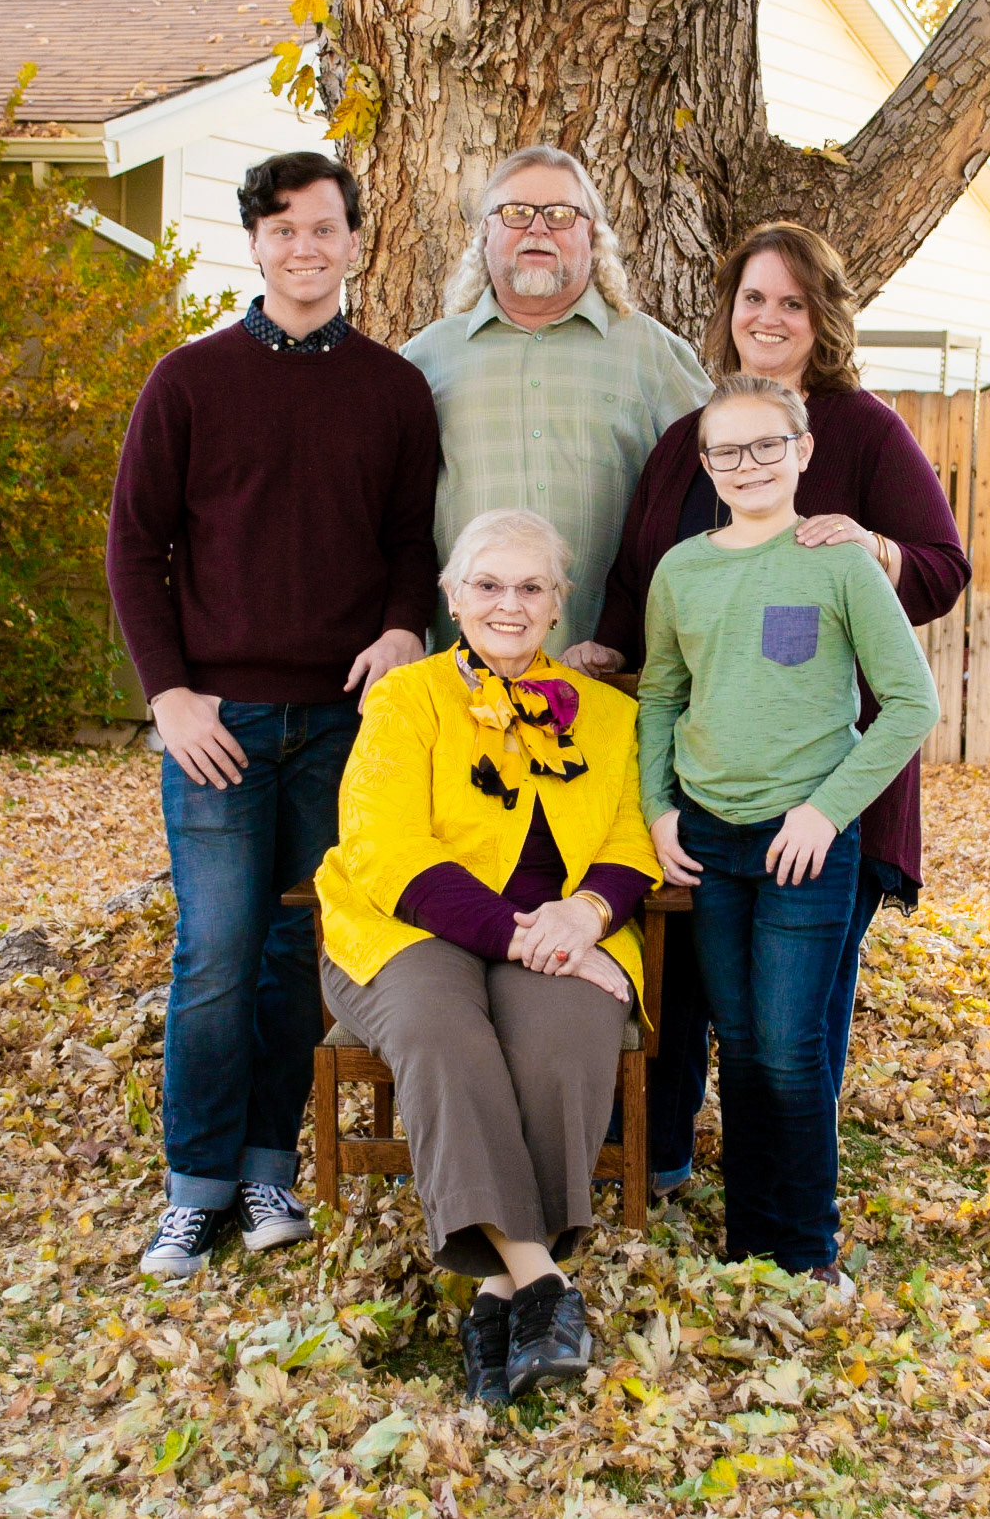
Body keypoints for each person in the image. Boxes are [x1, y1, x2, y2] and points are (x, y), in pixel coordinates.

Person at [566, 222, 971, 1195]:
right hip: (702, 778)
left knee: (797, 1014)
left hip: (826, 777)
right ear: (729, 312)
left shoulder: (863, 431)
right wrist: (610, 646)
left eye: (793, 301)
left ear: (822, 317)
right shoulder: (687, 440)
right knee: (687, 980)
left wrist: (873, 548)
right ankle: (663, 1159)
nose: (770, 317)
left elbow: (942, 566)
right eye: (754, 297)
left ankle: (791, 1198)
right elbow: (639, 577)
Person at [107, 151, 440, 1278]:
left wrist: (401, 626)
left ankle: (265, 1169)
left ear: (354, 241)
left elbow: (410, 543)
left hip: (343, 725)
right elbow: (134, 549)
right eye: (284, 228)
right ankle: (193, 1188)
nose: (305, 247)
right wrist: (168, 695)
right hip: (218, 725)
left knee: (300, 951)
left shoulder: (394, 390)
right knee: (215, 951)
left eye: (325, 227)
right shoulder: (188, 381)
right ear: (254, 242)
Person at [315, 509, 660, 1404]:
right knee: (441, 1031)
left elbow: (630, 836)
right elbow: (385, 847)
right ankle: (541, 1279)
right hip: (408, 927)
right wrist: (519, 934)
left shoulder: (610, 715)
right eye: (488, 584)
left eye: (531, 586)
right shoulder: (405, 697)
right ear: (451, 597)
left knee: (563, 1042)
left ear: (559, 602)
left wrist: (584, 913)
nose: (510, 603)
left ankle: (495, 1298)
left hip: (565, 932)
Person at [638, 374, 939, 1276]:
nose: (749, 464)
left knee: (788, 1048)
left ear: (801, 450)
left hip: (803, 841)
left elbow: (911, 703)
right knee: (737, 1045)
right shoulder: (681, 571)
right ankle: (750, 1243)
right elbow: (660, 696)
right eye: (727, 450)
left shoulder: (836, 562)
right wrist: (658, 807)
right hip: (708, 837)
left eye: (767, 444)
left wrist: (824, 811)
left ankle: (808, 1252)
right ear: (705, 464)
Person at [400, 144, 711, 651]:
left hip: (613, 663)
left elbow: (721, 487)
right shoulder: (426, 359)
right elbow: (393, 521)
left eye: (562, 214)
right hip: (462, 673)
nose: (538, 228)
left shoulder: (653, 354)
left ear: (592, 233)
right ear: (485, 233)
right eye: (516, 212)